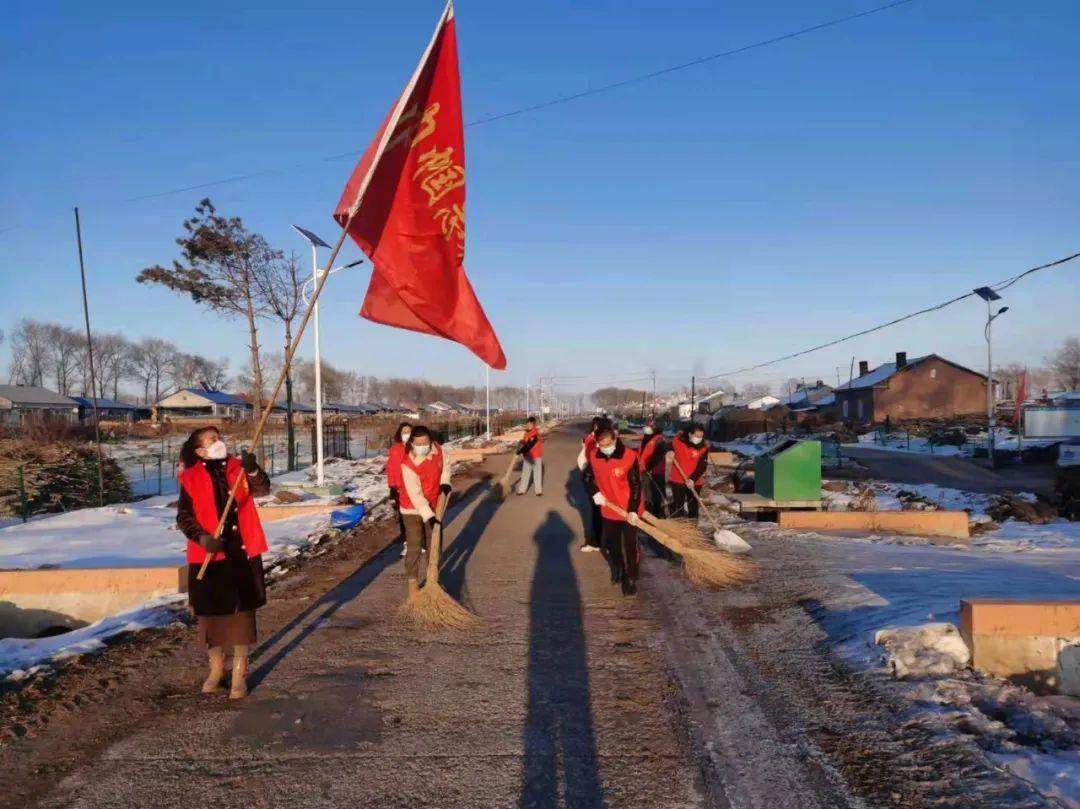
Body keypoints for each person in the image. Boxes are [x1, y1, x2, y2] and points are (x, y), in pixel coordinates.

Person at [177, 427, 270, 700]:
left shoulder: (238, 469)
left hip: (241, 551)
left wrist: (253, 470)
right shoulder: (189, 478)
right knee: (210, 617)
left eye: (219, 438)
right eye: (212, 441)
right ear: (200, 451)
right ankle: (217, 671)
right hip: (209, 554)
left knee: (241, 616)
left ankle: (240, 674)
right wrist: (202, 538)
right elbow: (183, 516)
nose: (219, 443)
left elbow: (262, 488)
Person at [587, 427, 643, 595]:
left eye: (608, 443)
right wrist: (594, 492)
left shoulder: (629, 456)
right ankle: (618, 567)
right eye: (601, 444)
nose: (605, 447)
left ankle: (631, 577)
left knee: (630, 546)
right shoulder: (594, 456)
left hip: (628, 509)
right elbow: (589, 477)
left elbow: (636, 485)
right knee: (613, 545)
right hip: (609, 509)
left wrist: (633, 509)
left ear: (615, 440)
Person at [398, 426, 451, 594]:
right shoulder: (408, 464)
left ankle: (433, 579)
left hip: (435, 503)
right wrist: (429, 516)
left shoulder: (438, 451)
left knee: (434, 544)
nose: (423, 445)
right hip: (412, 508)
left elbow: (446, 467)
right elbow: (415, 494)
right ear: (412, 443)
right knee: (414, 546)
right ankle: (413, 583)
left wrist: (445, 483)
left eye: (426, 442)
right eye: (418, 443)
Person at [576, 417, 608, 552]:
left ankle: (601, 542)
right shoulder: (591, 438)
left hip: (599, 478)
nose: (595, 428)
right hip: (591, 476)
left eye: (597, 426)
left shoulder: (603, 440)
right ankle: (595, 542)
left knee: (602, 512)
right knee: (596, 511)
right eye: (594, 425)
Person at [668, 423, 709, 519]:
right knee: (678, 506)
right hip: (678, 479)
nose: (699, 438)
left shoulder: (704, 447)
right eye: (697, 436)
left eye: (701, 436)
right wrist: (669, 451)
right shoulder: (678, 441)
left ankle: (692, 529)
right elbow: (668, 447)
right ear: (690, 434)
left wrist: (692, 479)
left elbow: (702, 466)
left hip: (694, 481)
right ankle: (678, 528)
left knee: (693, 507)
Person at [386, 421, 413, 557]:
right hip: (399, 488)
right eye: (404, 432)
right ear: (399, 433)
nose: (406, 434)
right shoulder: (395, 450)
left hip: (413, 488)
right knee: (403, 517)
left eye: (408, 432)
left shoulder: (415, 448)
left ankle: (420, 542)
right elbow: (391, 470)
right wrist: (392, 487)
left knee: (416, 516)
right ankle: (407, 543)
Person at [638, 418, 668, 518]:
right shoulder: (647, 437)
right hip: (645, 468)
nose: (646, 428)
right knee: (647, 491)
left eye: (649, 426)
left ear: (654, 427)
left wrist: (649, 466)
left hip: (655, 470)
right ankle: (649, 508)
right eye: (645, 426)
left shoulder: (659, 439)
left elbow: (658, 455)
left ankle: (658, 512)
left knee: (656, 492)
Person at [516, 417, 543, 496]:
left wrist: (520, 452)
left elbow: (529, 445)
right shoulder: (527, 433)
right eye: (527, 424)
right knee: (525, 473)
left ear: (533, 424)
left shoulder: (535, 433)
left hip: (536, 456)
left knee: (537, 473)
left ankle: (538, 491)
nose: (527, 425)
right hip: (527, 457)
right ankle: (522, 490)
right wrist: (520, 444)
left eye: (529, 424)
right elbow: (524, 443)